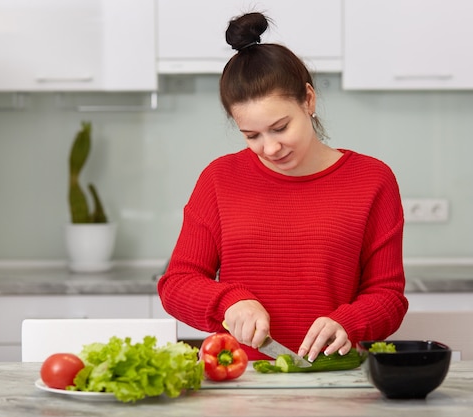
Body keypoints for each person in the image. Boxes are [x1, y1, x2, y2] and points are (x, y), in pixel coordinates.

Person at [157, 12, 408, 362]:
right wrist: (230, 302)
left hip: (334, 378)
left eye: (280, 127)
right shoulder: (219, 178)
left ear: (308, 100)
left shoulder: (372, 180)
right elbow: (177, 283)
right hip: (238, 378)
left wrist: (350, 321)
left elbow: (388, 297)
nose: (270, 148)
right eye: (252, 136)